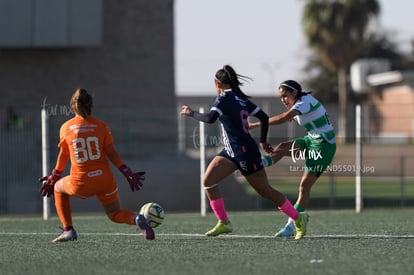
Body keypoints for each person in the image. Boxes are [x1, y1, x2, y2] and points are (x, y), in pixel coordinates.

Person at [180, 65, 308, 240]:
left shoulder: (223, 99)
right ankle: (224, 222)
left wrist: (191, 112)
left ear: (217, 83)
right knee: (208, 181)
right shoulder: (240, 98)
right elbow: (263, 117)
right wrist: (263, 140)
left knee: (265, 191)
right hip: (231, 151)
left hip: (244, 152)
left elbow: (210, 119)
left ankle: (298, 218)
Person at [39, 88, 155, 242]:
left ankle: (68, 230)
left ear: (72, 106)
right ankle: (137, 218)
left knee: (58, 189)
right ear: (91, 105)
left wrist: (54, 177)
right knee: (114, 213)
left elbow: (64, 155)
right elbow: (112, 153)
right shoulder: (101, 125)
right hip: (105, 180)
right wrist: (127, 173)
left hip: (81, 182)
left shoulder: (66, 127)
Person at [249, 80, 336, 237]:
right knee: (282, 147)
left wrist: (256, 125)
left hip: (324, 147)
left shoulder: (305, 102)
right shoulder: (299, 105)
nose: (283, 100)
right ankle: (258, 164)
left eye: (285, 96)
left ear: (295, 93)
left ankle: (291, 226)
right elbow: (289, 117)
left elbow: (283, 118)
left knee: (304, 186)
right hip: (311, 141)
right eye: (280, 97)